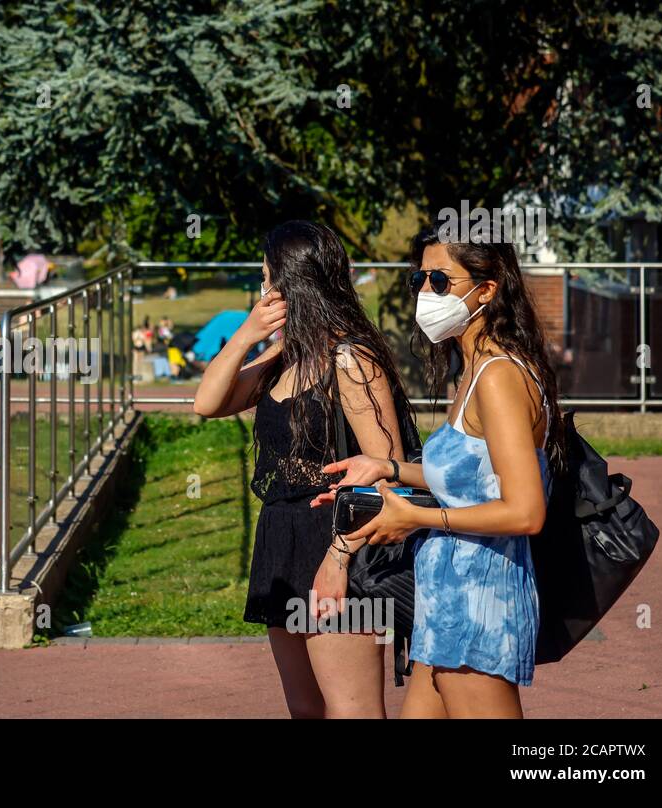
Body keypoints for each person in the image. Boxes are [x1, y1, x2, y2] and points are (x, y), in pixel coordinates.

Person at [316, 226, 562, 719]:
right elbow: (471, 478)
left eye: (440, 281)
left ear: (487, 290)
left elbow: (526, 511)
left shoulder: (500, 376)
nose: (425, 292)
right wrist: (388, 468)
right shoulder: (473, 372)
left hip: (479, 601)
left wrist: (417, 519)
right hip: (444, 598)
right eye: (419, 280)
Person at [193, 220, 410, 719]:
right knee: (306, 710)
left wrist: (338, 560)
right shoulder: (285, 355)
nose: (262, 288)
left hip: (335, 541)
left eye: (267, 277)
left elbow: (384, 472)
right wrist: (246, 333)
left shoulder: (351, 359)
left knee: (351, 711)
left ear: (291, 284)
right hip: (281, 539)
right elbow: (206, 403)